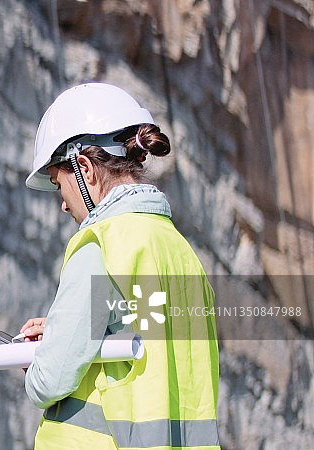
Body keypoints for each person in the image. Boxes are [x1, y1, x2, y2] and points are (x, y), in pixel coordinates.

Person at [19, 83, 219, 449]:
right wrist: (70, 330)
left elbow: (50, 379)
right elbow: (150, 341)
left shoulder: (101, 244)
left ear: (84, 168)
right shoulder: (179, 251)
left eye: (58, 184)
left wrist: (37, 361)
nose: (63, 205)